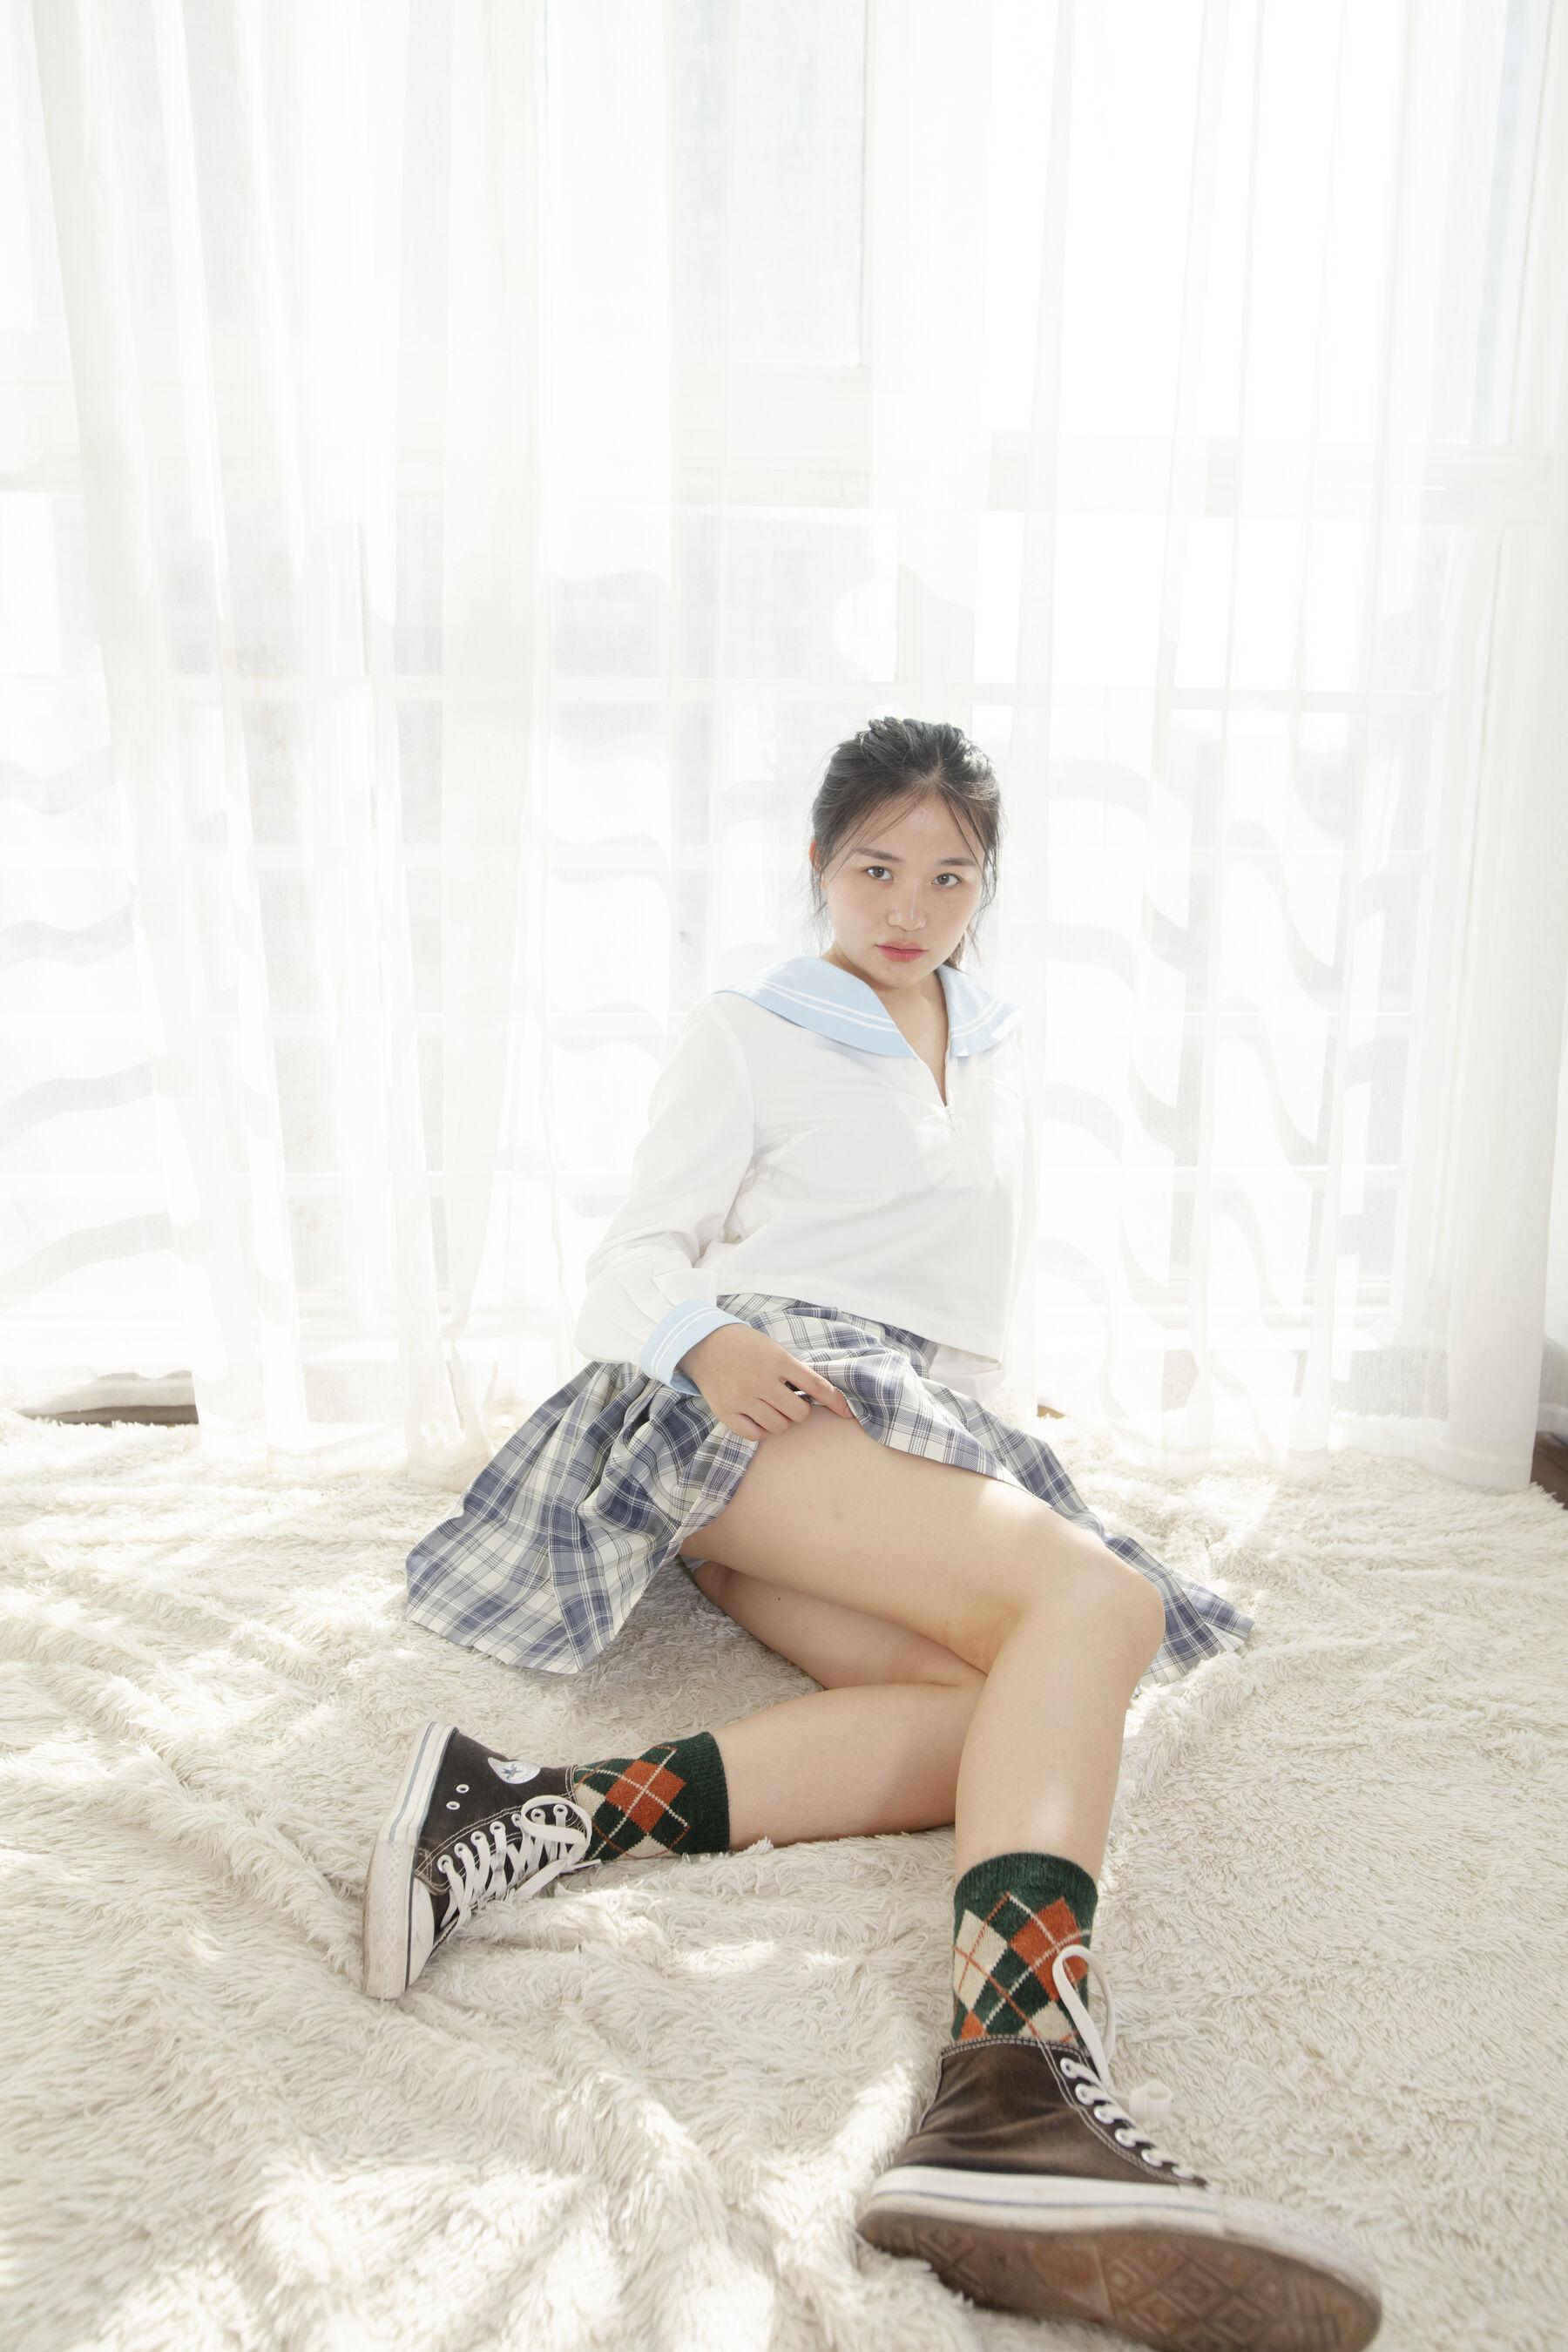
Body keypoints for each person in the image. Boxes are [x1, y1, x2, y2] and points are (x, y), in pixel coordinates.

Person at [364, 717, 1383, 2348]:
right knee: (1098, 1613)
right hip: (756, 1398)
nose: (910, 908)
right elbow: (630, 1262)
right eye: (876, 868)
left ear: (989, 887)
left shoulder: (993, 1047)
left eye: (950, 877)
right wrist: (705, 1341)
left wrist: (996, 1447)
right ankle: (1015, 2082)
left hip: (902, 1426)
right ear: (820, 865)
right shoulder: (753, 1029)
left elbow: (963, 1296)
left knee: (1012, 1710)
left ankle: (531, 1810)